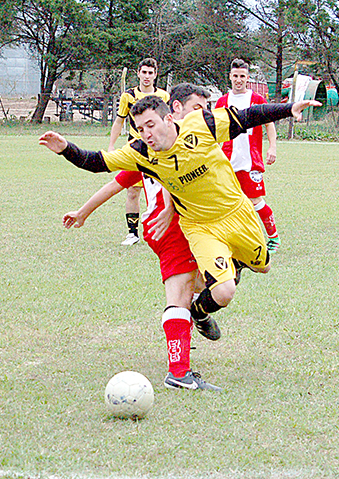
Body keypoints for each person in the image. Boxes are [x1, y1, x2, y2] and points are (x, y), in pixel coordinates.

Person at [40, 92, 319, 343]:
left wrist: (289, 108)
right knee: (223, 292)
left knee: (264, 266)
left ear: (169, 118)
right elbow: (96, 162)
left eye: (151, 125)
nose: (146, 133)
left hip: (237, 214)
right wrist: (66, 149)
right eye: (140, 129)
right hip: (200, 227)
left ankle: (230, 270)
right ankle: (198, 312)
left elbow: (248, 117)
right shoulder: (142, 153)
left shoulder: (201, 125)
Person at [62, 84, 222, 391]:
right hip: (169, 228)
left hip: (197, 224)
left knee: (218, 278)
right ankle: (180, 370)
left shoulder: (194, 141)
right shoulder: (148, 152)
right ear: (175, 111)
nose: (201, 115)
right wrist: (83, 212)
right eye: (196, 108)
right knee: (182, 292)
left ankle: (198, 313)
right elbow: (115, 182)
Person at [216, 59, 280, 253]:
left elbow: (269, 123)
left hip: (251, 161)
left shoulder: (257, 100)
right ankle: (233, 240)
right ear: (230, 77)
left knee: (255, 201)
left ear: (248, 78)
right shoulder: (222, 101)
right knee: (228, 202)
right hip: (227, 161)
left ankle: (273, 237)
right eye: (235, 76)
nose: (238, 80)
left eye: (242, 76)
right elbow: (215, 130)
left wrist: (272, 147)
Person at [108, 58, 169, 246]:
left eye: (151, 73)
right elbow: (119, 121)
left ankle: (163, 230)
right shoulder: (128, 96)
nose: (147, 76)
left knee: (163, 191)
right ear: (138, 73)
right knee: (133, 191)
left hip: (157, 150)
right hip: (135, 150)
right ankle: (132, 233)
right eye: (144, 72)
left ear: (155, 74)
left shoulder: (164, 96)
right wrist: (111, 146)